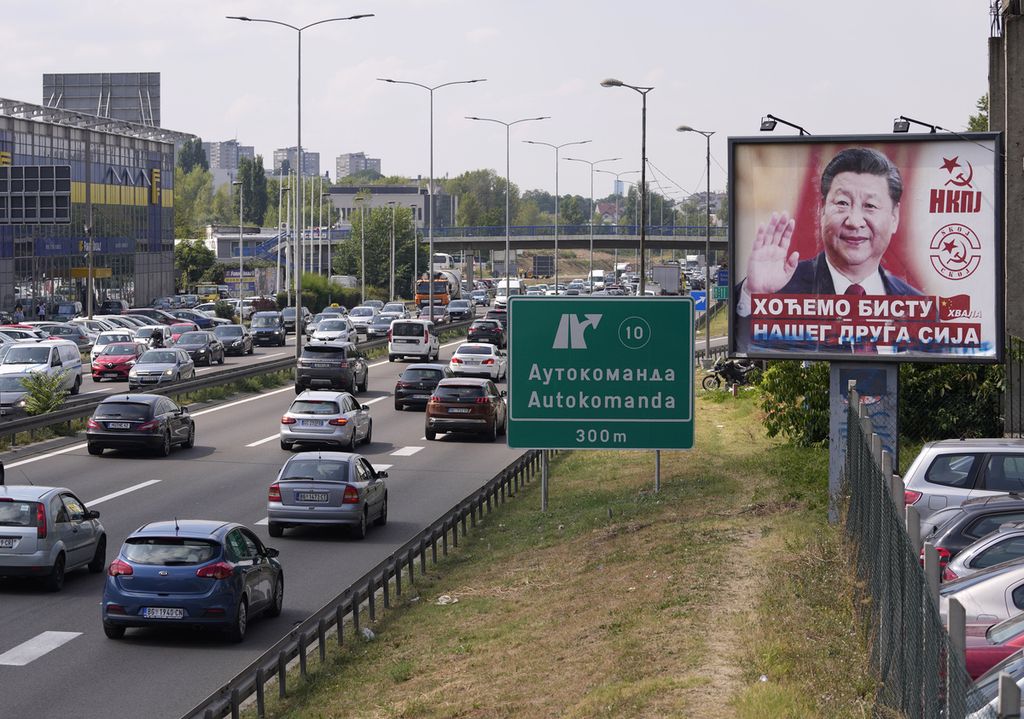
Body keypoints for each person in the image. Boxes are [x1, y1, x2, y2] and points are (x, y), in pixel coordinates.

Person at [735, 147, 922, 353]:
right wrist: (755, 295)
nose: (854, 221)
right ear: (821, 210)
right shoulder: (782, 291)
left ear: (894, 217)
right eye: (842, 203)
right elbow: (745, 349)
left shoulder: (918, 307)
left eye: (870, 205)